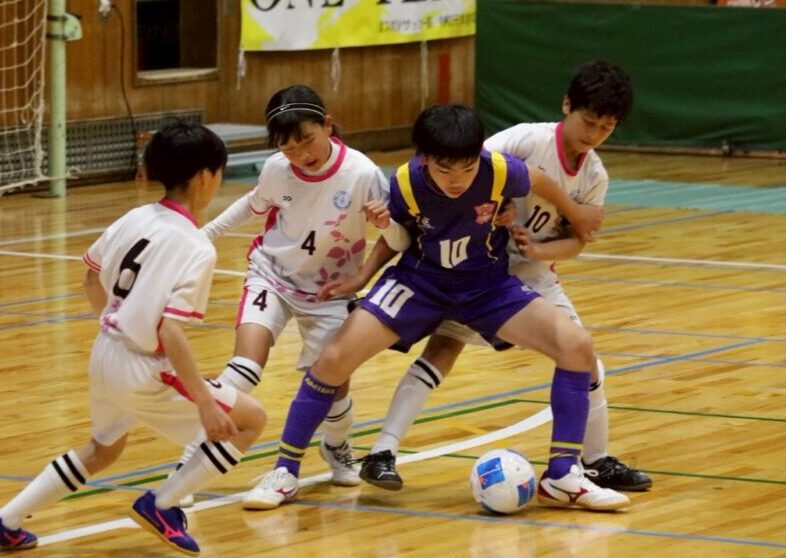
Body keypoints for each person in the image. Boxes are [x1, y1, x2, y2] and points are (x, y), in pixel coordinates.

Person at [242, 103, 630, 512]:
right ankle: (285, 470)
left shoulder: (499, 169)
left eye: (467, 168)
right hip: (420, 283)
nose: (457, 180)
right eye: (446, 170)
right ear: (425, 158)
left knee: (577, 347)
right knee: (333, 360)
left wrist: (574, 212)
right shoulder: (406, 182)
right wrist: (363, 276)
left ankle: (563, 475)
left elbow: (538, 178)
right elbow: (396, 236)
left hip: (486, 286)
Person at [357, 60, 653, 495]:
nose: (594, 134)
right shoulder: (526, 140)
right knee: (442, 348)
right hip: (475, 265)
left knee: (583, 356)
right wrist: (500, 209)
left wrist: (539, 250)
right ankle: (383, 450)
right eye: (588, 121)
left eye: (606, 128)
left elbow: (576, 242)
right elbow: (468, 167)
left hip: (533, 276)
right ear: (566, 105)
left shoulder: (594, 175)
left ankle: (594, 461)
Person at [0, 122, 268, 555]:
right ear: (205, 176)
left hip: (105, 350)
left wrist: (116, 321)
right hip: (143, 367)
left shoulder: (136, 216)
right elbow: (170, 330)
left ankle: (7, 520)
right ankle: (162, 505)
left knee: (102, 450)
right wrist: (204, 401)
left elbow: (91, 277)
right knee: (250, 420)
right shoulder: (196, 246)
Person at [173, 84, 390, 507]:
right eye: (288, 148)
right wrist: (202, 236)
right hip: (271, 275)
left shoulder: (362, 173)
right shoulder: (277, 170)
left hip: (331, 291)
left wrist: (382, 229)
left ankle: (336, 445)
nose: (300, 154)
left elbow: (396, 234)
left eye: (306, 140)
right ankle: (187, 466)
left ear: (327, 125)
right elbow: (251, 205)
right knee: (243, 368)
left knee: (333, 385)